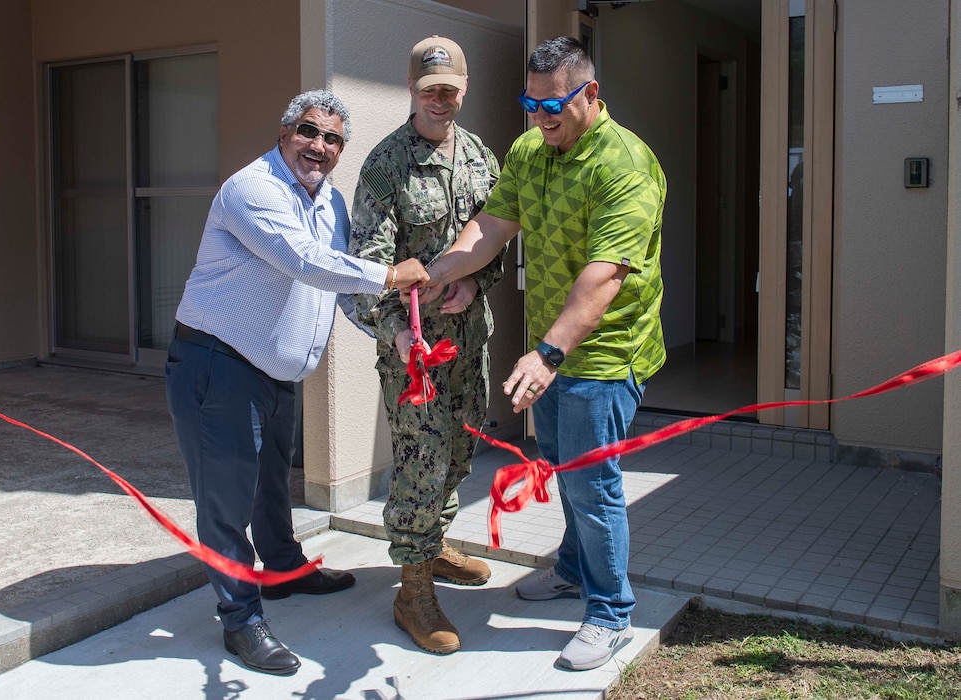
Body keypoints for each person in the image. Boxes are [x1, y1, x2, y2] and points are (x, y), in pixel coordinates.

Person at [421, 36, 667, 671]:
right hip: (552, 350)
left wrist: (548, 353)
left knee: (594, 484)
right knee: (562, 465)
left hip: (604, 353)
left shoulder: (624, 164)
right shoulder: (531, 150)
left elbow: (605, 276)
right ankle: (570, 569)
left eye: (553, 103)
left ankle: (610, 612)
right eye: (531, 103)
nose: (540, 116)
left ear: (588, 93)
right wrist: (438, 273)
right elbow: (491, 227)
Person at [165, 89, 428, 676]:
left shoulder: (329, 202)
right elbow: (304, 261)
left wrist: (400, 339)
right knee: (226, 500)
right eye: (309, 132)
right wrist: (390, 272)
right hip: (219, 363)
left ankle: (282, 570)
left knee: (270, 485)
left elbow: (341, 288)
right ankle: (239, 619)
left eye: (333, 139)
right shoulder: (252, 190)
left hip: (273, 370)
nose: (320, 146)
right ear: (284, 133)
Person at [347, 35, 505, 655]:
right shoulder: (387, 166)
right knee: (421, 463)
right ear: (412, 91)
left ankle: (434, 548)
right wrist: (400, 334)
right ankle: (411, 591)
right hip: (415, 355)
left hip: (470, 341)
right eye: (428, 89)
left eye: (450, 89)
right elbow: (365, 271)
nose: (440, 99)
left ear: (464, 90)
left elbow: (496, 238)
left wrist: (475, 279)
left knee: (461, 449)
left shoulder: (482, 158)